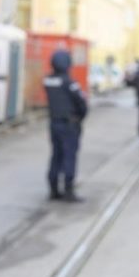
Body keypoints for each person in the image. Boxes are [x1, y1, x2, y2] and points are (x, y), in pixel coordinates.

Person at [44, 50, 88, 202]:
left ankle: (53, 189)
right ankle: (68, 190)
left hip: (54, 123)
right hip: (69, 125)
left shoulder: (48, 81)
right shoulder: (70, 83)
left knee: (56, 155)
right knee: (69, 156)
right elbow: (81, 103)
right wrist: (80, 117)